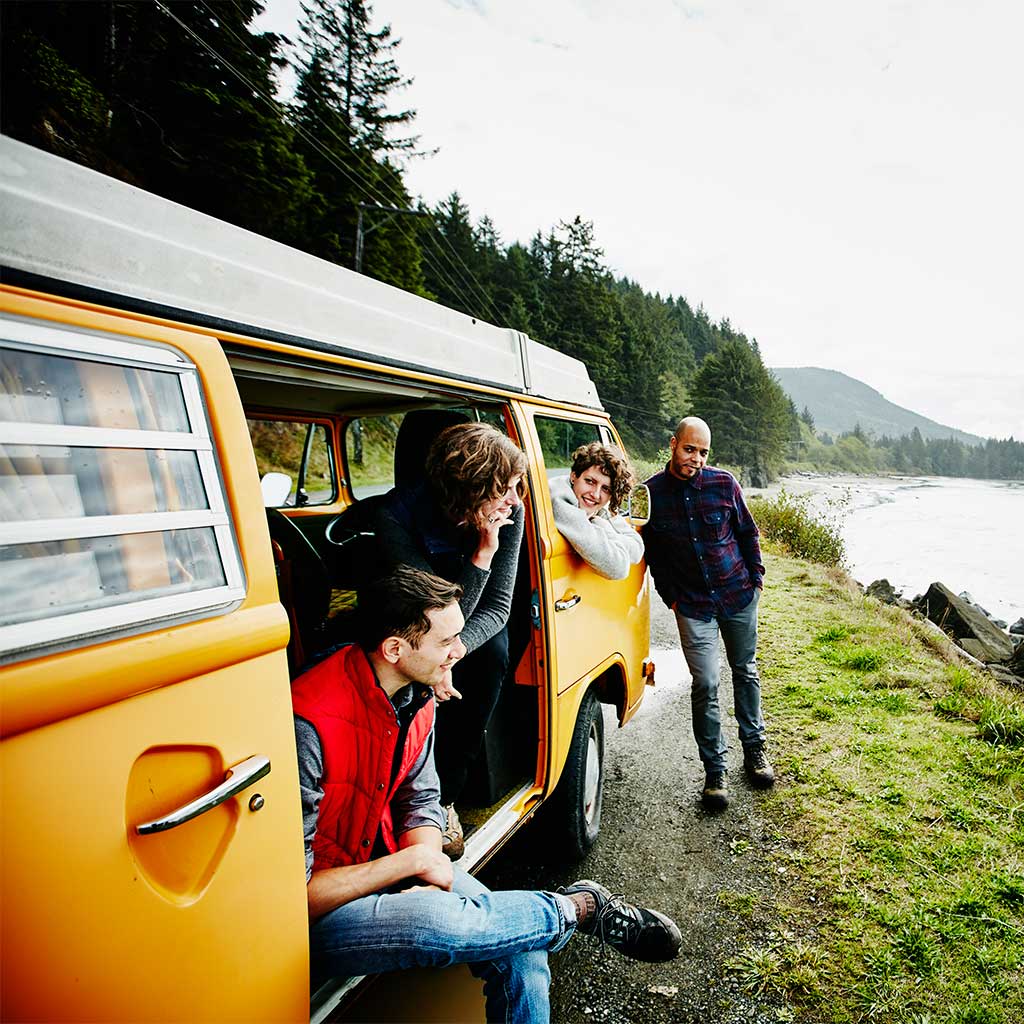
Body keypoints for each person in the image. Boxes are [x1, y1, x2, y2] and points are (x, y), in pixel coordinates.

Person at [293, 567, 682, 1023]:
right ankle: (578, 909)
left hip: (385, 862)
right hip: (318, 913)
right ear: (395, 649)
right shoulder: (308, 725)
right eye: (446, 642)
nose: (460, 651)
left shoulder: (415, 693)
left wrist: (427, 868)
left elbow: (419, 797)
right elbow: (295, 895)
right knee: (434, 925)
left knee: (524, 952)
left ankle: (561, 914)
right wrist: (410, 865)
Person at [375, 421, 527, 857]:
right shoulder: (395, 518)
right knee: (399, 671)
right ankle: (388, 796)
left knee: (493, 653)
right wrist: (435, 661)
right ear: (474, 487)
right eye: (507, 489)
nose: (515, 501)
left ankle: (444, 801)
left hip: (464, 630)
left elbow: (498, 608)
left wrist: (449, 658)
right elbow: (426, 611)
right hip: (410, 623)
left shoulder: (505, 514)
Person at [642, 416, 775, 810]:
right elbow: (652, 556)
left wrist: (756, 580)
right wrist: (672, 599)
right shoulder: (652, 493)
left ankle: (755, 750)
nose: (696, 459)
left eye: (703, 452)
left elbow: (747, 532)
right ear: (673, 444)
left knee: (745, 671)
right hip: (693, 606)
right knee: (706, 685)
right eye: (689, 449)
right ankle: (715, 771)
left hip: (737, 595)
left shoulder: (724, 483)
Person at [550, 441, 644, 580]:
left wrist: (602, 525)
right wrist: (598, 523)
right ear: (574, 476)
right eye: (590, 481)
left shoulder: (595, 507)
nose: (595, 494)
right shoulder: (560, 500)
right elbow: (618, 568)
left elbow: (637, 549)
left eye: (606, 489)